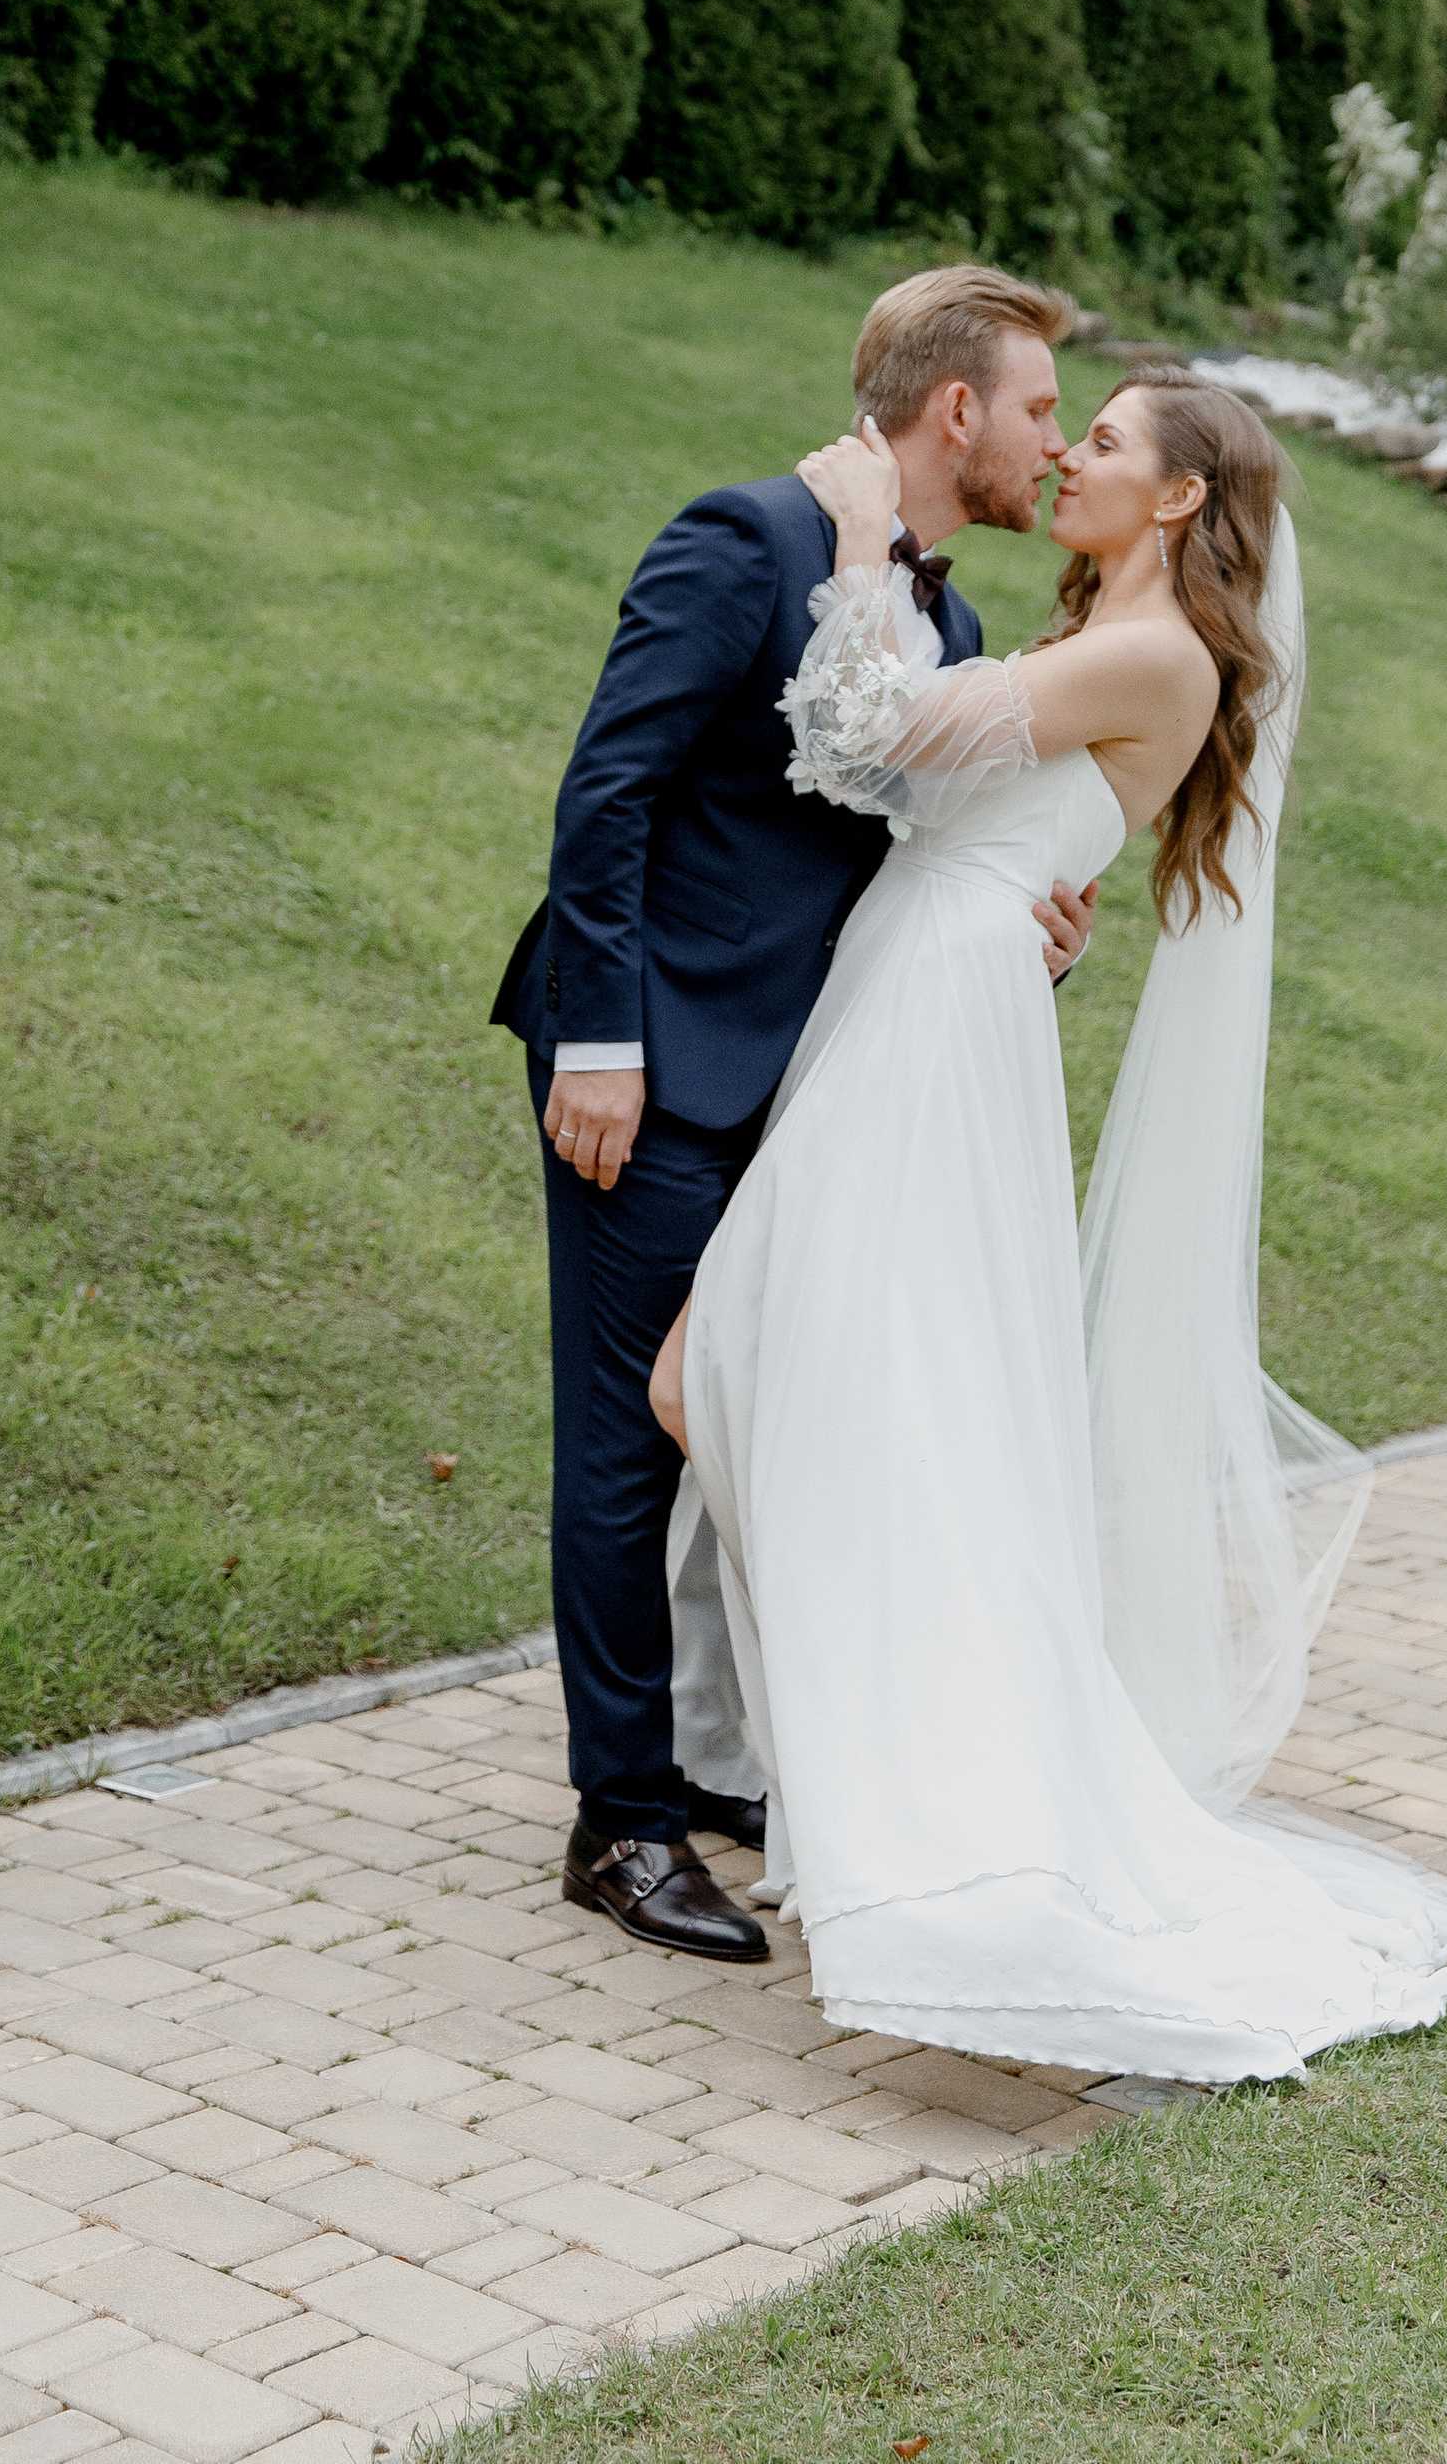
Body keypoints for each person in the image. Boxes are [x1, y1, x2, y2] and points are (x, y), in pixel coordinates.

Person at [647, 378, 1447, 2080]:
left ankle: (911, 1787)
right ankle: (831, 1752)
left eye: (1104, 444)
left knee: (734, 1379)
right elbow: (931, 784)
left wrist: (870, 529)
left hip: (933, 1032)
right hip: (915, 998)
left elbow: (866, 729)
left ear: (1181, 501)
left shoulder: (1155, 654)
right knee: (741, 1380)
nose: (1070, 459)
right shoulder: (1105, 648)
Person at [491, 268, 1098, 1963]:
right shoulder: (743, 539)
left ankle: (706, 1752)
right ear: (955, 409)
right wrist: (596, 1038)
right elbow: (608, 788)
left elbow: (908, 856)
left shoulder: (954, 632)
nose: (1053, 443)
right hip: (653, 1060)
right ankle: (620, 1823)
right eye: (1041, 407)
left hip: (811, 1086)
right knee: (628, 1437)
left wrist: (1024, 922)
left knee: (751, 1418)